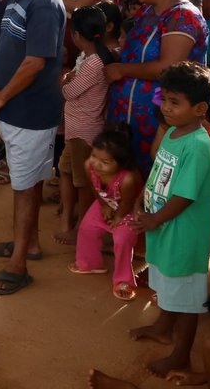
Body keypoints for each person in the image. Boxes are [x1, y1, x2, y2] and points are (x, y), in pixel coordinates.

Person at [0, 0, 66, 296]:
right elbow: (10, 48)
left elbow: (34, 62)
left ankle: (19, 263)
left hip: (30, 109)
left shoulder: (44, 2)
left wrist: (2, 96)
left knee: (25, 188)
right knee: (24, 182)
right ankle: (26, 244)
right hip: (12, 103)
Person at [130, 61, 210, 378]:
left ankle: (181, 356)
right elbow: (158, 170)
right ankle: (162, 327)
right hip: (164, 227)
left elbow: (186, 195)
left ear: (200, 108)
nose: (165, 107)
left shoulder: (198, 145)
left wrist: (155, 219)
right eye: (164, 99)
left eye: (174, 102)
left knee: (188, 300)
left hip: (183, 236)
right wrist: (142, 197)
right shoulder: (174, 132)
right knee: (165, 280)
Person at [106, 0, 207, 175]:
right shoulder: (150, 10)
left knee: (152, 180)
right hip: (130, 118)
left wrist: (122, 69)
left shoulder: (183, 17)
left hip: (159, 120)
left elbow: (169, 67)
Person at [54, 6, 117, 247]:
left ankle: (82, 228)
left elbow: (69, 92)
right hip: (77, 129)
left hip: (85, 131)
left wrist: (64, 79)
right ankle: (70, 220)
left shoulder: (93, 63)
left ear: (76, 36)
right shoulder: (93, 58)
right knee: (67, 171)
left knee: (84, 183)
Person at [71, 129, 141, 302]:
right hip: (106, 202)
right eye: (94, 156)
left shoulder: (128, 179)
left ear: (120, 163)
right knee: (87, 228)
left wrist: (117, 218)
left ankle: (124, 280)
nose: (97, 164)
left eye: (105, 161)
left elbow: (127, 202)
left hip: (129, 209)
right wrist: (103, 205)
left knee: (122, 239)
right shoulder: (89, 165)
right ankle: (89, 263)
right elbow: (94, 188)